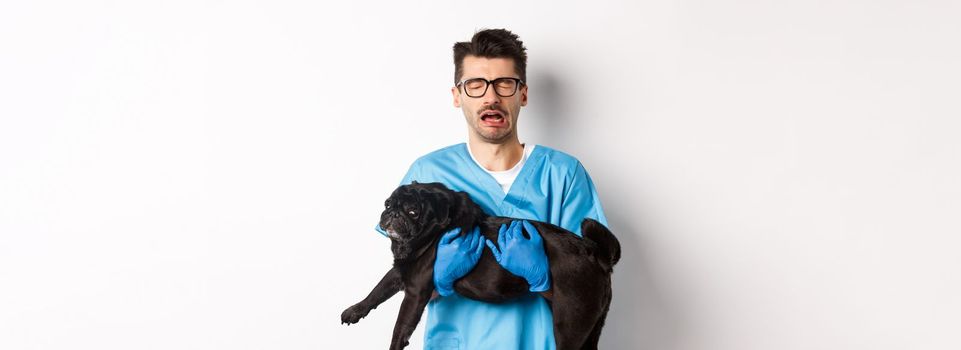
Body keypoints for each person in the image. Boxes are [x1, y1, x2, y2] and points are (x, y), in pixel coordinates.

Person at [375, 28, 608, 350]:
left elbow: (591, 285)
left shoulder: (563, 174)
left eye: (504, 83)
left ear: (522, 94)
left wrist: (541, 278)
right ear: (457, 96)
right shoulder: (427, 174)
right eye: (476, 84)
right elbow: (407, 278)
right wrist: (439, 278)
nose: (491, 97)